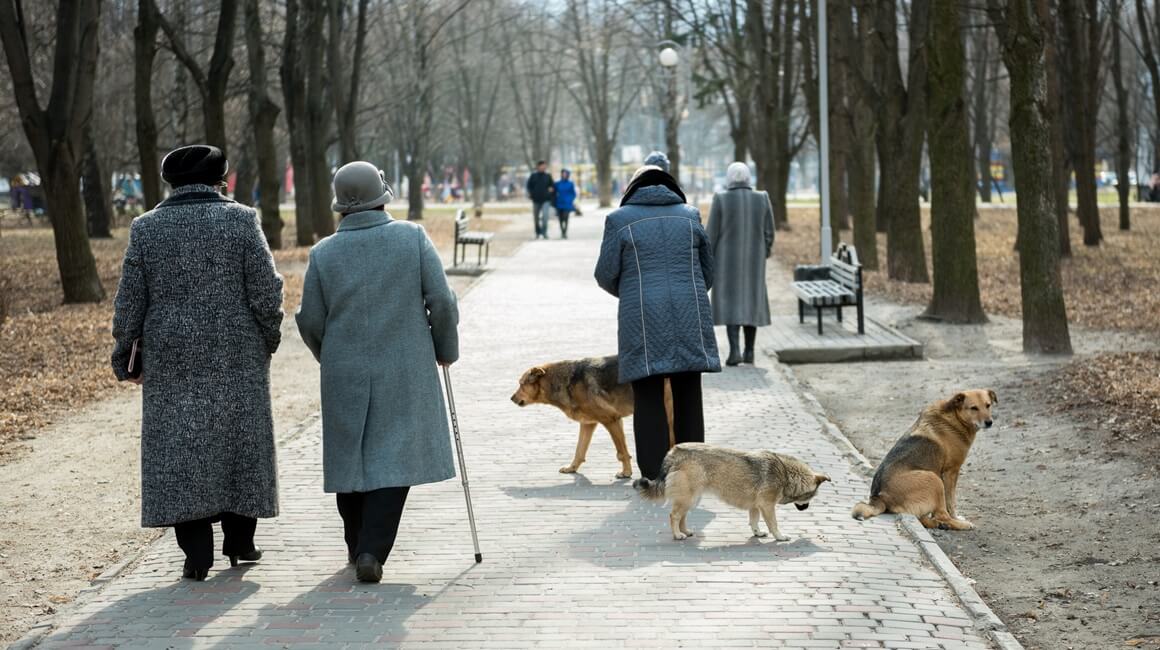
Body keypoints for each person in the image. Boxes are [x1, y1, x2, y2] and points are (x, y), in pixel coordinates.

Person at [110, 144, 283, 581]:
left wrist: (124, 349)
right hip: (237, 350)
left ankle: (196, 555)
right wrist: (269, 336)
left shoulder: (146, 228)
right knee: (240, 442)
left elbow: (130, 298)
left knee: (180, 448)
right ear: (219, 179)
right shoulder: (242, 220)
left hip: (171, 355)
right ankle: (241, 541)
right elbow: (266, 289)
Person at [296, 161, 459, 584]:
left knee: (352, 457)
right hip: (403, 366)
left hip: (344, 369)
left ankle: (356, 542)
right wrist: (445, 350)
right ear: (382, 192)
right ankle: (372, 548)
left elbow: (309, 319)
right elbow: (441, 301)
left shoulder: (323, 252)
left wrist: (328, 354)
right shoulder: (412, 238)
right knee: (395, 457)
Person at [594, 165, 720, 480]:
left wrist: (632, 291)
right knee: (689, 391)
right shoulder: (690, 216)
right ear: (671, 187)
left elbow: (605, 274)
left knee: (647, 393)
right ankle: (692, 470)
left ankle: (654, 473)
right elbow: (709, 270)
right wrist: (689, 292)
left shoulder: (618, 220)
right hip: (689, 312)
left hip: (642, 317)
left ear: (633, 189)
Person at [706, 162, 774, 366]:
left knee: (730, 304)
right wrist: (764, 253)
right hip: (755, 262)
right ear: (748, 178)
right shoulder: (762, 198)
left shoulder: (721, 199)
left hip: (726, 264)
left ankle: (734, 350)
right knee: (752, 302)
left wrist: (708, 259)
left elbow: (711, 234)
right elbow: (769, 232)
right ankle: (750, 351)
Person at [526, 160, 554, 239]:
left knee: (545, 216)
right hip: (536, 200)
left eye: (544, 166)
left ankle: (544, 232)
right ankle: (537, 232)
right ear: (538, 166)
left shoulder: (548, 176)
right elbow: (528, 186)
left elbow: (552, 186)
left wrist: (551, 190)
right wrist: (530, 193)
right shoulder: (533, 176)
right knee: (536, 217)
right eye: (542, 166)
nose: (543, 167)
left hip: (546, 200)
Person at [554, 168, 577, 239]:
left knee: (566, 217)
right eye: (563, 173)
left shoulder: (570, 183)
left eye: (565, 173)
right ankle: (562, 231)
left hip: (567, 204)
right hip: (559, 203)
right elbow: (554, 192)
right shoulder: (557, 183)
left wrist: (570, 199)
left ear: (567, 175)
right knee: (560, 219)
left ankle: (565, 232)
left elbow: (573, 193)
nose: (564, 175)